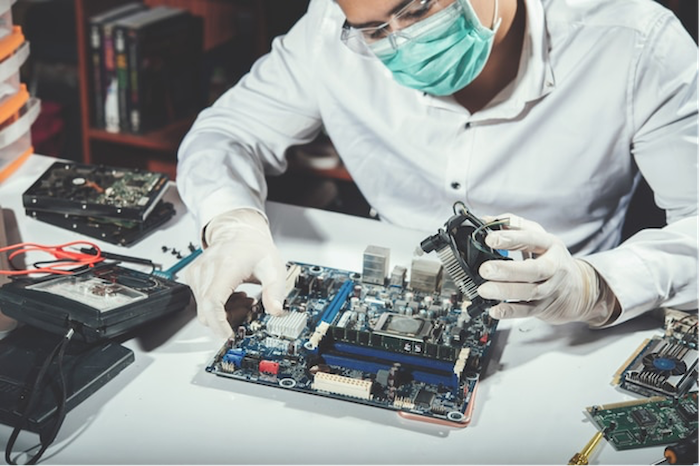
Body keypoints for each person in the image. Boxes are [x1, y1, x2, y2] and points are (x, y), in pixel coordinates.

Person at [177, 0, 699, 339]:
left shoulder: (632, 39)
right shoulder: (326, 33)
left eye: (418, 8)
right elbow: (225, 132)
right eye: (375, 30)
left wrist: (592, 286)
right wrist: (232, 223)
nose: (401, 41)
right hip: (383, 294)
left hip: (569, 326)